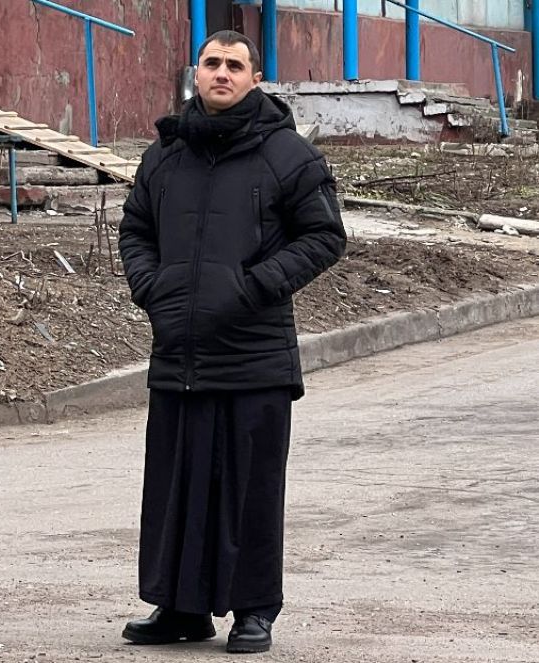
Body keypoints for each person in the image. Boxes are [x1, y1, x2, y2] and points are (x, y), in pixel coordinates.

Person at [117, 31, 346, 654]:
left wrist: (251, 289)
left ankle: (253, 610)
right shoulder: (165, 153)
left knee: (250, 487)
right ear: (197, 72)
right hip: (180, 352)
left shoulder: (288, 154)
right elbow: (135, 228)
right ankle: (180, 608)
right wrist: (152, 287)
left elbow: (325, 236)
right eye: (212, 63)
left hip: (255, 352)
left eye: (234, 65)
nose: (221, 73)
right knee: (176, 485)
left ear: (253, 77)